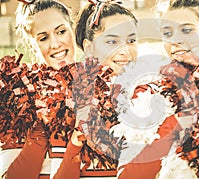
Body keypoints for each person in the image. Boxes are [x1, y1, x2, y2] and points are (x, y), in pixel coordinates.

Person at [116, 0, 199, 178]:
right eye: (167, 33)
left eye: (186, 30)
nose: (175, 40)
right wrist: (181, 118)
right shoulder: (148, 95)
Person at [52, 0, 138, 178]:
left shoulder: (148, 97)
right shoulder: (68, 101)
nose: (125, 51)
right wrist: (76, 140)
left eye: (131, 40)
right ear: (89, 48)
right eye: (112, 41)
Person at [1, 0, 76, 178]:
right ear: (31, 44)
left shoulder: (101, 88)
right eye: (43, 38)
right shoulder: (16, 95)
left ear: (73, 29)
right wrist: (41, 129)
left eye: (61, 31)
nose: (56, 44)